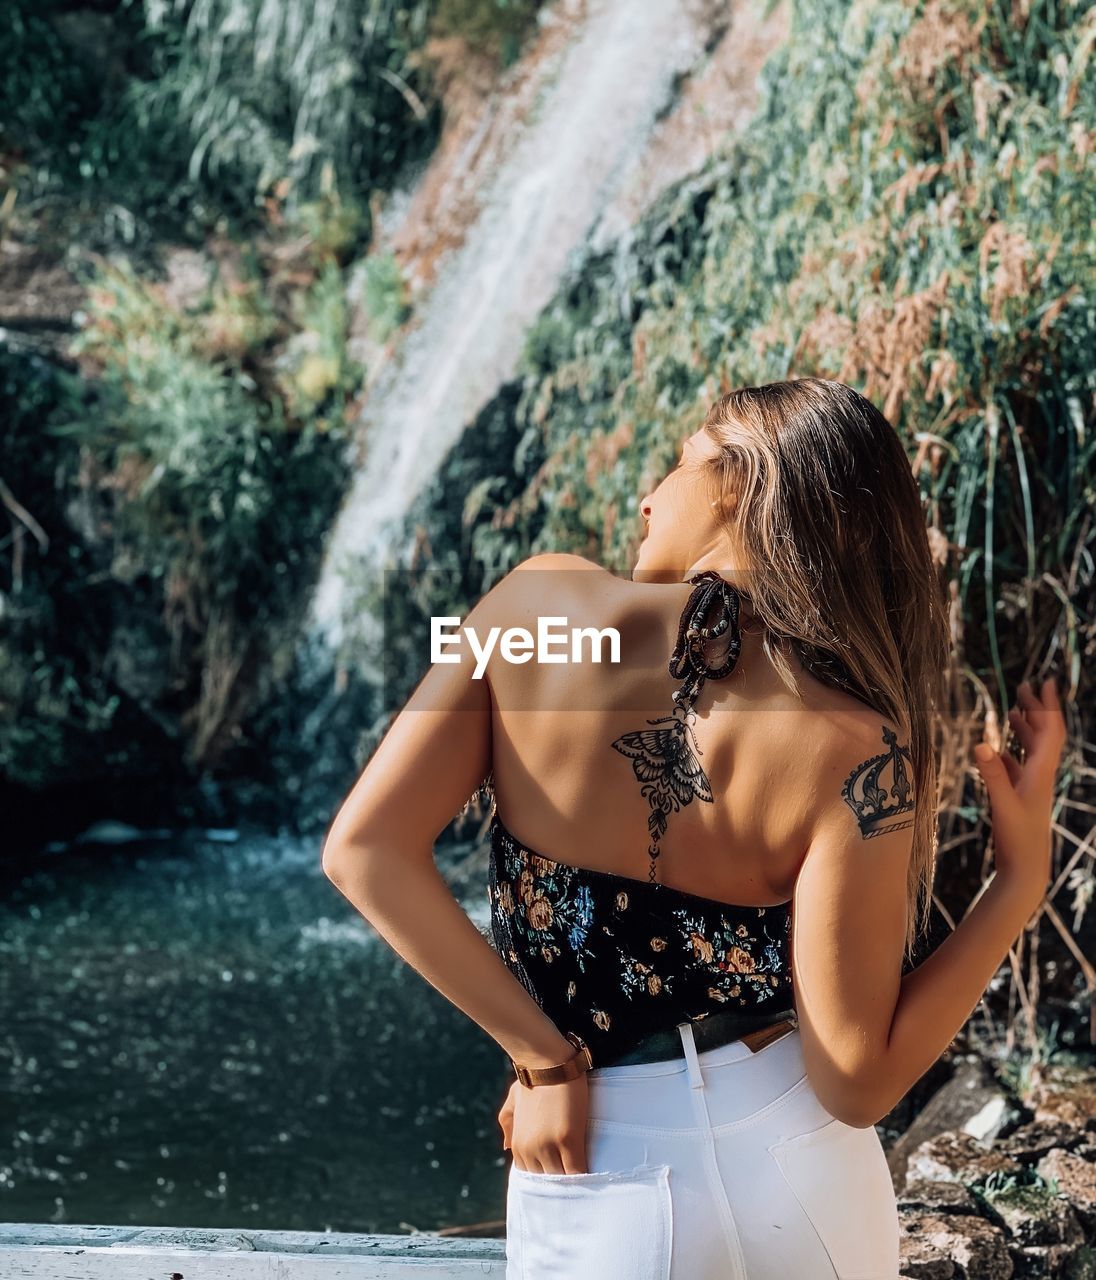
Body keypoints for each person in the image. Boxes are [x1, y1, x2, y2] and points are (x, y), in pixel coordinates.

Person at [322, 376, 1066, 1279]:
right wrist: (1018, 882)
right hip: (802, 1165)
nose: (647, 495)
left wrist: (544, 1061)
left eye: (680, 464)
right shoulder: (855, 743)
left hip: (600, 1160)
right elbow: (855, 1081)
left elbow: (364, 852)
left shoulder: (536, 610)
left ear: (740, 486)